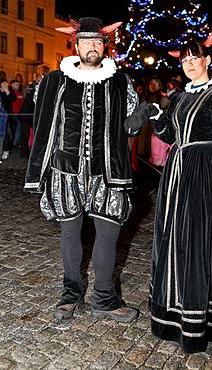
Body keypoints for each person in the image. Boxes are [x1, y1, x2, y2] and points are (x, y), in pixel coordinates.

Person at [125, 37, 212, 353]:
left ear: (207, 61)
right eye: (184, 61)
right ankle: (174, 312)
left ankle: (202, 321)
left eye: (194, 59)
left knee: (199, 243)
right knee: (175, 242)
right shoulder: (180, 98)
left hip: (204, 176)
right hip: (176, 178)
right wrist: (153, 112)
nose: (189, 64)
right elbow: (170, 135)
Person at [24, 17, 139, 323]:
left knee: (108, 235)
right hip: (66, 170)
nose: (92, 47)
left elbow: (130, 122)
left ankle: (104, 297)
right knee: (70, 234)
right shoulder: (54, 80)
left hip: (108, 171)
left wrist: (137, 122)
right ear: (75, 45)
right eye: (86, 41)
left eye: (98, 42)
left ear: (105, 46)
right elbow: (44, 122)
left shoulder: (120, 82)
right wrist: (40, 170)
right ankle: (71, 294)